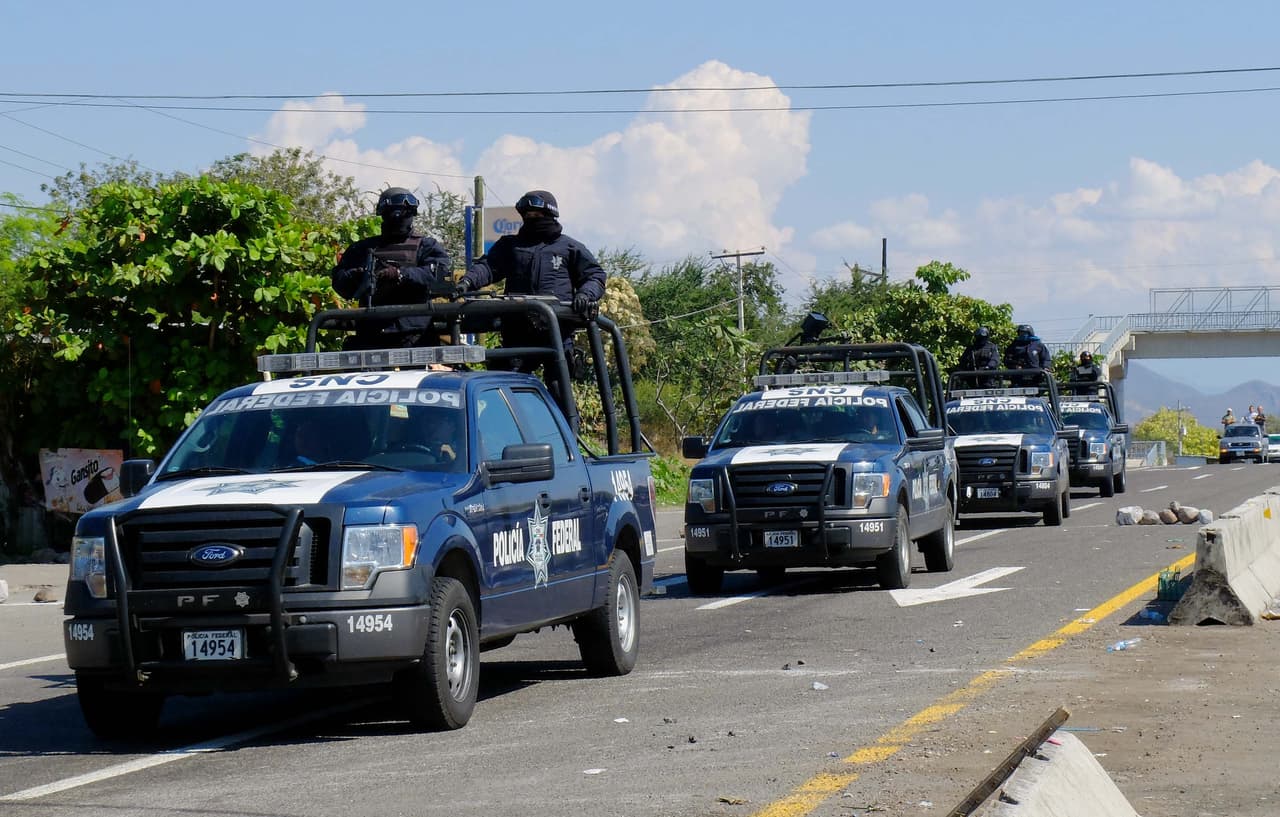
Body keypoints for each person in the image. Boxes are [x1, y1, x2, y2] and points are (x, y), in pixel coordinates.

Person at [457, 190, 606, 426]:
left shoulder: (568, 247)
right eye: (527, 215)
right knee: (504, 396)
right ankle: (498, 438)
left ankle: (568, 440)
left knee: (559, 395)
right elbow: (487, 267)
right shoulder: (511, 246)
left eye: (537, 214)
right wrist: (467, 282)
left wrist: (585, 295)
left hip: (556, 335)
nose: (531, 218)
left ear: (550, 215)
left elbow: (595, 276)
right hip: (517, 335)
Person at [331, 187, 452, 349]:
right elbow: (340, 283)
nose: (401, 217)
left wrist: (400, 274)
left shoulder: (426, 246)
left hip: (415, 334)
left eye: (406, 212)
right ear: (385, 213)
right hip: (371, 333)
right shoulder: (363, 249)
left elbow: (439, 274)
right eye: (396, 212)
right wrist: (358, 276)